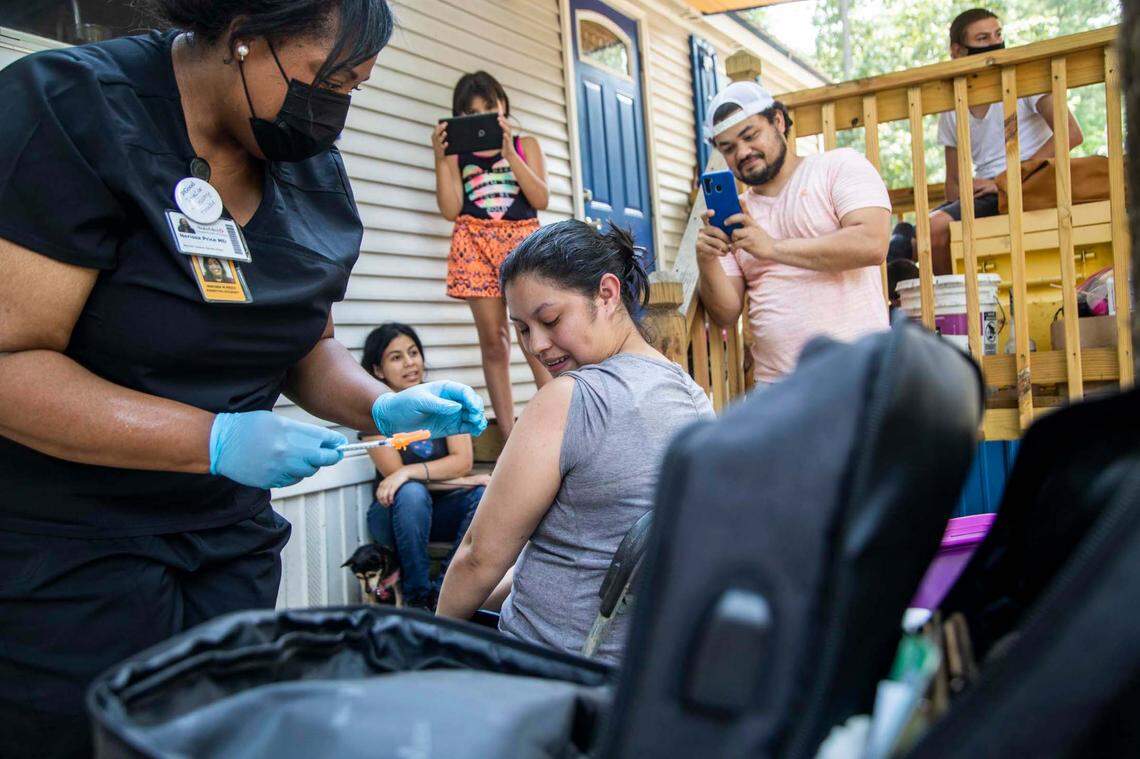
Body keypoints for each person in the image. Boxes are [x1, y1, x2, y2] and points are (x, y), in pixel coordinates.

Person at [0, 3, 486, 756]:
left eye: (354, 88)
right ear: (242, 34)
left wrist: (384, 404)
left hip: (226, 540)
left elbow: (306, 349)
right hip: (73, 549)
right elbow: (10, 364)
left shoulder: (305, 163)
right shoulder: (74, 109)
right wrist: (213, 438)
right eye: (327, 80)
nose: (336, 110)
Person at [437, 220, 714, 663]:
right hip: (634, 668)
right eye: (523, 329)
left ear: (606, 294)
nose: (538, 346)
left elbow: (477, 556)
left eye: (549, 319)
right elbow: (590, 555)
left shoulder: (570, 399)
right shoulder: (692, 396)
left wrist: (432, 642)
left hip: (546, 669)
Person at [695, 81, 891, 386]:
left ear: (778, 121)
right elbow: (726, 312)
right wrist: (706, 261)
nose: (743, 152)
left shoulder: (837, 167)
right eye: (728, 148)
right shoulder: (737, 215)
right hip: (778, 392)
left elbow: (872, 243)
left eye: (750, 136)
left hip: (859, 379)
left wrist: (772, 248)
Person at [433, 70, 552, 439]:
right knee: (494, 341)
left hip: (522, 243)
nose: (480, 115)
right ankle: (508, 435)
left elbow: (540, 198)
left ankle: (557, 414)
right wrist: (440, 159)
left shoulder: (524, 144)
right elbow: (451, 209)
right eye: (469, 112)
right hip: (475, 244)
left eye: (488, 106)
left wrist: (507, 154)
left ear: (503, 105)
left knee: (533, 333)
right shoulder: (456, 154)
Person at [929, 7, 1083, 274]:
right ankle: (952, 303)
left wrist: (1004, 178)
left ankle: (952, 307)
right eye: (982, 39)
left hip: (1030, 182)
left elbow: (1071, 133)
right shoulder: (952, 106)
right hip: (988, 192)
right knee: (911, 233)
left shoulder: (1024, 79)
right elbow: (953, 181)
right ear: (957, 51)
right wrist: (961, 206)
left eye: (998, 34)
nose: (995, 43)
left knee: (935, 225)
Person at [360, 323, 490, 610]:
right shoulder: (374, 416)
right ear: (378, 370)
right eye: (396, 357)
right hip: (393, 514)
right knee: (411, 493)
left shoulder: (442, 404)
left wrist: (408, 472)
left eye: (413, 353)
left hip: (441, 512)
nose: (410, 363)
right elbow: (397, 481)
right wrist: (410, 476)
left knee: (482, 497)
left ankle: (446, 587)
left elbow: (462, 462)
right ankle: (417, 594)